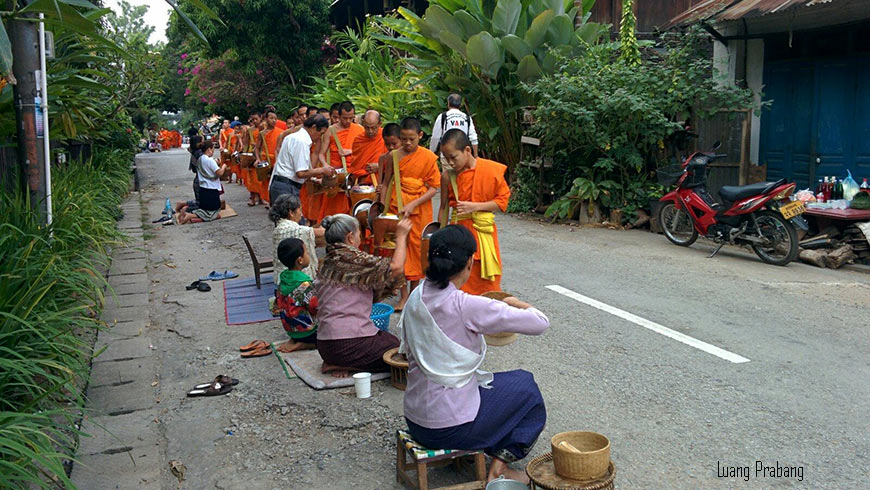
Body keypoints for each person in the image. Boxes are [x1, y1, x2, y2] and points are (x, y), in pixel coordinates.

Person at [399, 225, 549, 484]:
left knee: (502, 385)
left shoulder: (416, 295)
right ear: (469, 262)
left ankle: (492, 454)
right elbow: (540, 322)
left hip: (415, 420)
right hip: (450, 428)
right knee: (526, 387)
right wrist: (515, 303)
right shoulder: (465, 305)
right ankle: (500, 465)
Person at [314, 214, 411, 378]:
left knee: (388, 340)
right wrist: (401, 236)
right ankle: (348, 365)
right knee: (398, 352)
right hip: (347, 344)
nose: (360, 238)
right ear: (350, 237)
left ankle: (339, 362)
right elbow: (395, 268)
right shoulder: (354, 260)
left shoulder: (326, 262)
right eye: (359, 234)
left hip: (324, 345)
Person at [379, 117, 441, 310]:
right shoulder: (393, 156)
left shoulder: (429, 157)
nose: (407, 143)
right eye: (404, 138)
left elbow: (433, 187)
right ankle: (402, 294)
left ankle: (414, 293)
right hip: (396, 208)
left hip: (419, 210)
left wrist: (414, 203)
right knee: (396, 249)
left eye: (412, 139)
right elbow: (387, 182)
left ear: (420, 136)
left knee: (416, 252)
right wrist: (381, 207)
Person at [438, 129, 510, 295]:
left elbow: (502, 201)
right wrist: (441, 235)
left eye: (453, 157)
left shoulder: (490, 170)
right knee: (458, 284)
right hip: (458, 235)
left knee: (488, 287)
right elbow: (443, 207)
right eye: (446, 158)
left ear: (467, 150)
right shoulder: (448, 177)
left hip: (484, 234)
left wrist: (475, 207)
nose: (450, 163)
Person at [269, 115, 334, 203]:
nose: (319, 137)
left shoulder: (294, 137)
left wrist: (315, 179)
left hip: (281, 185)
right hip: (287, 187)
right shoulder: (301, 141)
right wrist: (322, 170)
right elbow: (301, 173)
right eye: (321, 133)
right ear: (314, 127)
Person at [316, 101, 363, 219]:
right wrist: (325, 165)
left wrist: (351, 151)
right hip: (336, 174)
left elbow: (364, 151)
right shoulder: (330, 131)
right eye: (344, 118)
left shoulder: (359, 130)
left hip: (354, 175)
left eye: (350, 118)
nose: (347, 121)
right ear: (338, 116)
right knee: (334, 210)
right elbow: (321, 154)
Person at [274, 237, 320, 354]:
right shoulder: (304, 284)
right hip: (308, 333)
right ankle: (305, 344)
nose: (308, 254)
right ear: (300, 260)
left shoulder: (283, 280)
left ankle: (295, 339)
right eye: (307, 252)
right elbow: (315, 307)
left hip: (291, 330)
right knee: (331, 337)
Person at [178, 141, 227, 224]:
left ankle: (186, 211)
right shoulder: (210, 160)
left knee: (205, 209)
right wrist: (224, 166)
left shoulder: (201, 159)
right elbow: (220, 173)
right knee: (213, 212)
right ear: (209, 149)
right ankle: (189, 215)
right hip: (211, 189)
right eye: (213, 149)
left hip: (203, 189)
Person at [429, 93, 479, 157]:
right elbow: (473, 138)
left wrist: (431, 152)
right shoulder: (467, 118)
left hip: (447, 155)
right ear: (460, 105)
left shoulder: (443, 117)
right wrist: (476, 155)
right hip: (463, 156)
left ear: (448, 103)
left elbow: (435, 137)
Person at [349, 110, 385, 186]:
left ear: (379, 124)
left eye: (373, 128)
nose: (370, 131)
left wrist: (379, 166)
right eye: (367, 127)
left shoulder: (386, 137)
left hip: (382, 182)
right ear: (363, 123)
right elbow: (355, 166)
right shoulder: (359, 140)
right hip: (362, 184)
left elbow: (397, 160)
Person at [368, 122, 402, 190]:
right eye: (387, 144)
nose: (391, 147)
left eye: (394, 144)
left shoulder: (409, 157)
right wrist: (380, 188)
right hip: (388, 195)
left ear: (402, 140)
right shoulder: (383, 158)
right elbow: (380, 183)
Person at [243, 113, 265, 207]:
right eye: (253, 119)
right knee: (252, 179)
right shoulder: (249, 130)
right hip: (251, 155)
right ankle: (252, 198)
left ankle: (261, 198)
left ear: (261, 119)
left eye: (257, 119)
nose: (255, 121)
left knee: (260, 178)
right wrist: (244, 156)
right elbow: (246, 143)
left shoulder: (263, 129)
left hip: (261, 154)